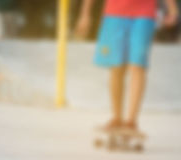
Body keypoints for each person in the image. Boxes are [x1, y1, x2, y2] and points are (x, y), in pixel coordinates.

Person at [76, 0, 179, 132]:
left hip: (144, 14)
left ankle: (131, 121)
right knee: (117, 66)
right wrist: (85, 14)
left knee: (138, 65)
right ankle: (117, 118)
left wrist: (172, 9)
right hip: (114, 14)